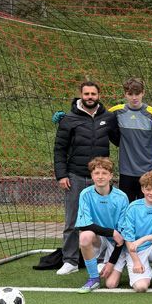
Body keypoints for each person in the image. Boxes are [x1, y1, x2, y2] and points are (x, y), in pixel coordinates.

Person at [53, 79, 118, 276]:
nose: (90, 97)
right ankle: (70, 260)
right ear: (81, 95)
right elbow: (59, 149)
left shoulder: (108, 117)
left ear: (99, 95)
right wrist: (61, 175)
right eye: (86, 94)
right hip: (76, 175)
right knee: (72, 220)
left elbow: (119, 140)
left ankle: (101, 259)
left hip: (100, 178)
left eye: (93, 94)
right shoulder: (68, 119)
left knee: (102, 220)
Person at [75, 157, 130, 292]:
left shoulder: (121, 197)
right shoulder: (85, 194)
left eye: (104, 173)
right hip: (99, 238)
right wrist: (111, 232)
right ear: (92, 175)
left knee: (111, 284)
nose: (100, 177)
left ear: (110, 176)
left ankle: (115, 263)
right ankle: (93, 278)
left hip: (117, 243)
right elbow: (83, 225)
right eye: (97, 173)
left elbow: (121, 236)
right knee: (84, 236)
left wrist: (111, 263)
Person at [108, 77, 152, 202]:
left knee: (147, 206)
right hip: (126, 170)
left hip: (148, 171)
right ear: (125, 94)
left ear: (143, 93)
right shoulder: (116, 112)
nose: (134, 97)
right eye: (130, 94)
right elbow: (99, 120)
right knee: (126, 206)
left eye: (137, 93)